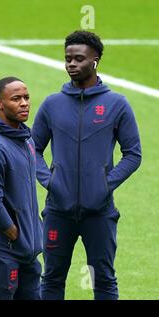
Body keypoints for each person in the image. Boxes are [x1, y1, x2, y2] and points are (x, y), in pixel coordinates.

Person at [32, 30, 142, 300]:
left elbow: (133, 154)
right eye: (68, 58)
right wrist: (50, 180)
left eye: (79, 59)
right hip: (58, 210)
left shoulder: (117, 104)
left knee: (103, 279)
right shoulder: (52, 104)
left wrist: (106, 184)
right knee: (52, 278)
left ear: (95, 61)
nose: (71, 64)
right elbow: (32, 148)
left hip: (100, 213)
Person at [0, 77, 42, 300]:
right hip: (2, 247)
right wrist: (12, 231)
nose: (24, 103)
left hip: (27, 248)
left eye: (26, 97)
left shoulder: (26, 139)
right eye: (16, 99)